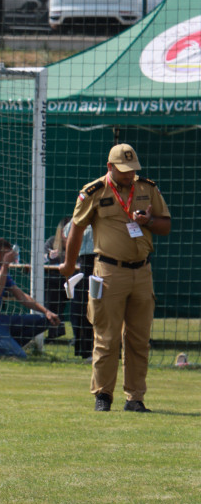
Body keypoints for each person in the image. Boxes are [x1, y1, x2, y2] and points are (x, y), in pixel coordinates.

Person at [59, 143, 171, 413]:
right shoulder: (94, 192)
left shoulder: (148, 188)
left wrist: (148, 222)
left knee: (138, 339)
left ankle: (135, 398)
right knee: (106, 338)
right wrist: (69, 264)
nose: (129, 175)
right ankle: (103, 395)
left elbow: (165, 225)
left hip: (142, 272)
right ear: (110, 167)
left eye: (132, 170)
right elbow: (76, 228)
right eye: (123, 171)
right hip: (108, 272)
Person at [0, 237, 60, 358]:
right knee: (20, 357)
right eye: (5, 255)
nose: (9, 259)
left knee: (43, 321)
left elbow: (21, 296)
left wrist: (46, 312)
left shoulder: (0, 270)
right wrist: (5, 265)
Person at [63, 218, 95, 360]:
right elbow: (67, 232)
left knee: (106, 307)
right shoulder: (82, 211)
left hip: (108, 259)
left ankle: (112, 349)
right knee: (85, 307)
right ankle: (87, 350)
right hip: (86, 262)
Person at [43, 217, 71, 341]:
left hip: (73, 280)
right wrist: (48, 256)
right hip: (54, 280)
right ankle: (55, 330)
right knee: (50, 287)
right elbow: (41, 259)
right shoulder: (51, 242)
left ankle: (58, 329)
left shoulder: (78, 243)